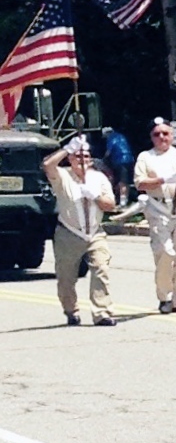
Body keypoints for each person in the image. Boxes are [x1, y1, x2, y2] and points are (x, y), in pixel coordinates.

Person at [41, 136, 114, 327]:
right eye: (78, 156)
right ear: (70, 159)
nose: (82, 159)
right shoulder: (63, 176)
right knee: (66, 278)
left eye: (86, 156)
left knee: (101, 270)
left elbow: (110, 205)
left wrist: (95, 195)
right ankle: (71, 310)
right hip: (69, 233)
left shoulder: (99, 178)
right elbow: (47, 164)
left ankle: (102, 313)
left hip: (95, 233)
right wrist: (67, 148)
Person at [134, 117, 176, 314]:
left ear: (172, 135)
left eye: (165, 133)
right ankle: (165, 296)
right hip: (158, 208)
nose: (162, 137)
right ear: (151, 137)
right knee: (164, 253)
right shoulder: (145, 157)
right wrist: (163, 179)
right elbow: (140, 183)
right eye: (157, 134)